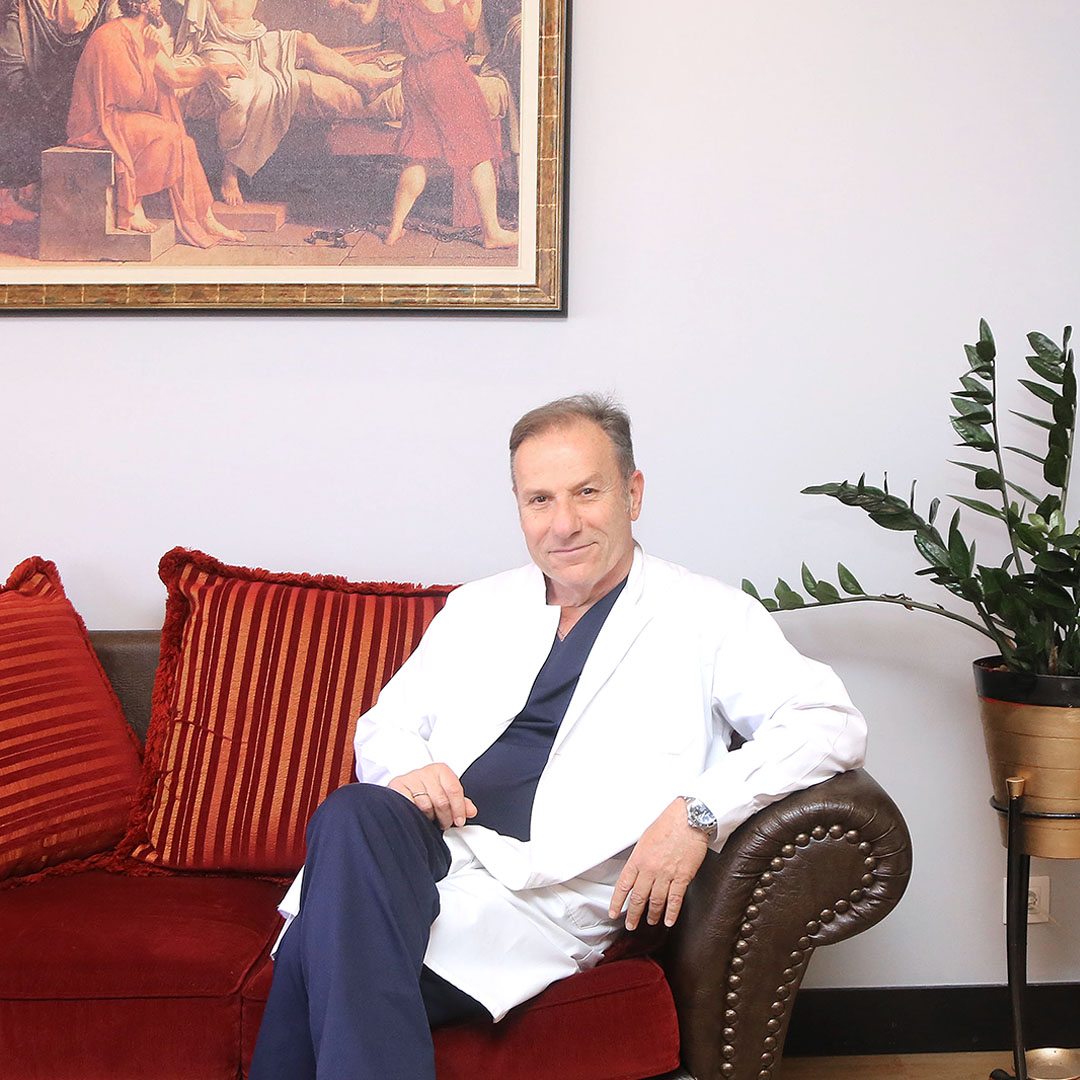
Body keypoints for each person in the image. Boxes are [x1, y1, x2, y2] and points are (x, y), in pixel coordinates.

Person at [249, 394, 867, 1080]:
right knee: (354, 811)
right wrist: (409, 768)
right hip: (432, 845)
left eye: (587, 492)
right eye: (539, 500)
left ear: (632, 493)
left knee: (322, 949)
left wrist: (698, 813)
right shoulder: (476, 607)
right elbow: (385, 726)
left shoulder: (708, 615)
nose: (564, 524)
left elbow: (828, 722)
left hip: (547, 889)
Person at [174, 0, 400, 205]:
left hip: (255, 38)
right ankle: (230, 170)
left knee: (306, 41)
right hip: (219, 46)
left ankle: (364, 83)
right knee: (237, 97)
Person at [66, 0, 246, 244]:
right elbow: (133, 99)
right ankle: (133, 204)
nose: (159, 4)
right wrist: (149, 57)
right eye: (154, 1)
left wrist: (211, 71)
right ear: (140, 5)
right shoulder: (111, 37)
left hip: (123, 115)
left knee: (186, 143)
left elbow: (174, 76)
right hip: (99, 122)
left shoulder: (144, 34)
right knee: (168, 134)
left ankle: (205, 217)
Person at [345, 0, 517, 248]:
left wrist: (344, 4)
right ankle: (492, 233)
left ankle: (395, 228)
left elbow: (366, 15)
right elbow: (469, 23)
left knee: (419, 155)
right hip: (446, 70)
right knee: (480, 154)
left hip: (415, 74)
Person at [0, 0, 110, 225]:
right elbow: (71, 21)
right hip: (28, 77)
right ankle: (6, 200)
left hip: (69, 85)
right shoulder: (24, 9)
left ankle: (50, 204)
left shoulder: (101, 9)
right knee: (19, 116)